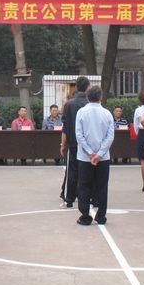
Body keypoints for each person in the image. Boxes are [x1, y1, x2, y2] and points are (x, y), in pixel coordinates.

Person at [75, 85, 114, 226]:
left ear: (87, 96)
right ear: (101, 97)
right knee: (102, 186)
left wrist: (90, 153)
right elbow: (110, 136)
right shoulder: (107, 113)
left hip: (85, 157)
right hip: (103, 158)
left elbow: (79, 135)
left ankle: (85, 216)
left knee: (84, 186)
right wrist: (99, 154)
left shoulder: (81, 112)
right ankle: (101, 216)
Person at [60, 76, 90, 208]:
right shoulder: (90, 104)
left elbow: (65, 126)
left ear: (76, 87)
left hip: (72, 142)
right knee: (88, 170)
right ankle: (88, 197)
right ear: (88, 87)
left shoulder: (69, 104)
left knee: (71, 171)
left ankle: (69, 199)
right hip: (89, 144)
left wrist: (63, 144)